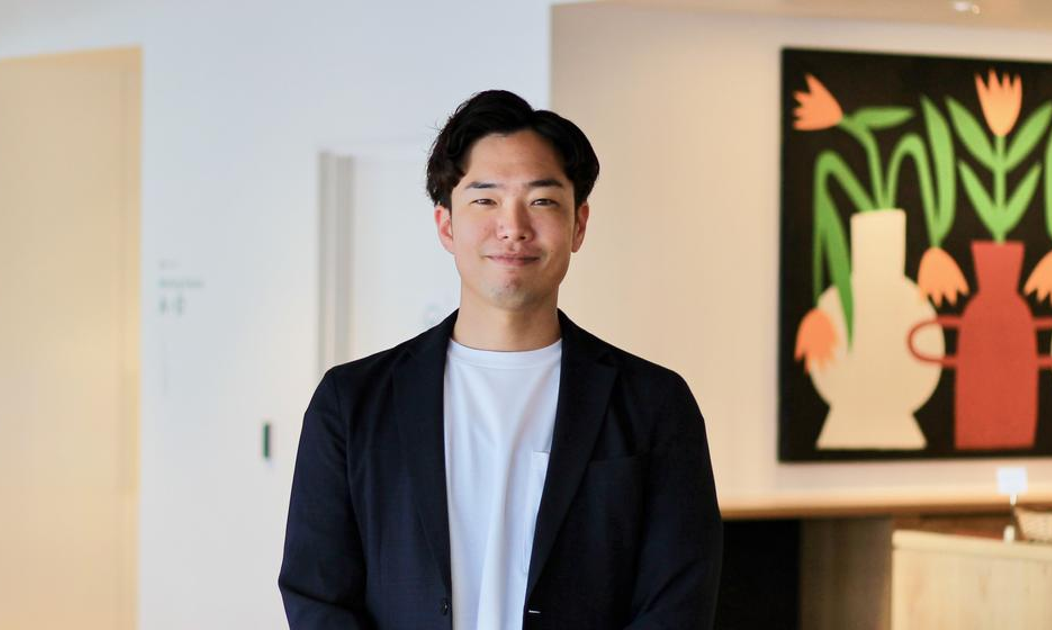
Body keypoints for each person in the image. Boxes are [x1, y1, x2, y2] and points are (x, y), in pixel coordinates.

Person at [279, 90, 722, 629]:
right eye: (485, 200)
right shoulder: (351, 402)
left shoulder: (654, 403)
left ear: (579, 224)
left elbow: (677, 603)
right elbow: (317, 594)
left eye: (542, 201)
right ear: (446, 225)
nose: (513, 227)